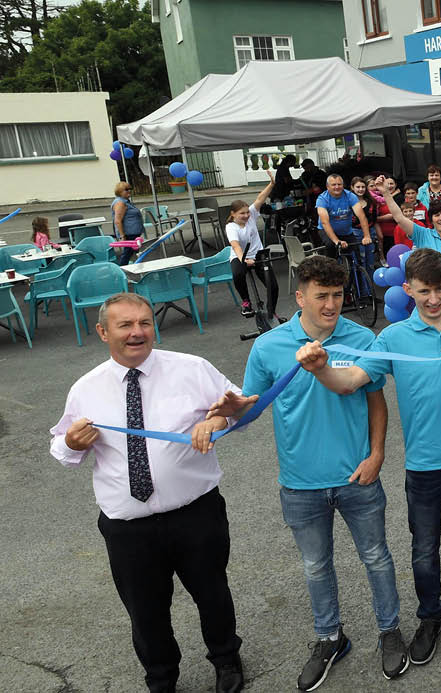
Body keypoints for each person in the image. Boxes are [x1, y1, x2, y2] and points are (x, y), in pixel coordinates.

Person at [296, 248, 441, 667]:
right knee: (424, 550)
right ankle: (430, 616)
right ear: (407, 290)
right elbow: (350, 382)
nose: (433, 299)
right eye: (423, 291)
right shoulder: (392, 338)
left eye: (439, 289)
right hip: (424, 466)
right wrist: (320, 369)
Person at [50, 293, 248, 693]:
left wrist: (225, 414)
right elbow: (62, 450)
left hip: (196, 513)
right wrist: (72, 442)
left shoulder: (192, 369)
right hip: (128, 527)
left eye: (144, 322)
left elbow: (241, 406)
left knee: (212, 593)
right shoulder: (86, 389)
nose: (138, 332)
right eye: (125, 325)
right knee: (145, 610)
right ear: (103, 332)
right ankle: (161, 676)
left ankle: (226, 658)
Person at [239, 256, 408, 689]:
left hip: (356, 476)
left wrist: (376, 455)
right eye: (321, 297)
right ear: (300, 297)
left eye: (337, 295)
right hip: (300, 483)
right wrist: (221, 415)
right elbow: (251, 406)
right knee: (316, 566)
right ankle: (329, 638)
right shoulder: (269, 346)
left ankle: (389, 631)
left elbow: (373, 398)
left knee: (377, 558)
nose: (331, 304)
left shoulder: (361, 338)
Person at [380, 188, 441, 313]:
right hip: (430, 305)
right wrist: (386, 193)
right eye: (436, 215)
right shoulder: (422, 234)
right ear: (431, 219)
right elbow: (399, 218)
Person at [226, 170, 281, 321]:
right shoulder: (231, 227)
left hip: (258, 255)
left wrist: (271, 184)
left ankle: (271, 311)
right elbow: (236, 246)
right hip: (240, 256)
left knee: (273, 286)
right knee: (238, 274)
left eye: (247, 213)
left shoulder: (251, 214)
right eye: (241, 214)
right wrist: (243, 260)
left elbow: (260, 198)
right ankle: (246, 302)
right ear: (233, 214)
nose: (246, 216)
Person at [315, 174, 373, 270]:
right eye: (333, 185)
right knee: (330, 248)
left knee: (357, 258)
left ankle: (359, 280)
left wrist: (367, 236)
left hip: (346, 231)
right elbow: (325, 222)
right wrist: (336, 241)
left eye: (339, 184)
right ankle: (330, 274)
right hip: (328, 231)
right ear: (327, 187)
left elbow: (362, 216)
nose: (337, 187)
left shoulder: (350, 196)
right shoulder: (322, 199)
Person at [111, 181, 145, 266]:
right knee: (127, 254)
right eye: (126, 189)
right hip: (129, 234)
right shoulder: (120, 203)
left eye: (130, 189)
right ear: (119, 191)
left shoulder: (125, 201)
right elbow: (118, 220)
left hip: (133, 233)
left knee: (133, 254)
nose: (129, 191)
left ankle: (133, 268)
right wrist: (123, 236)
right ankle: (121, 272)